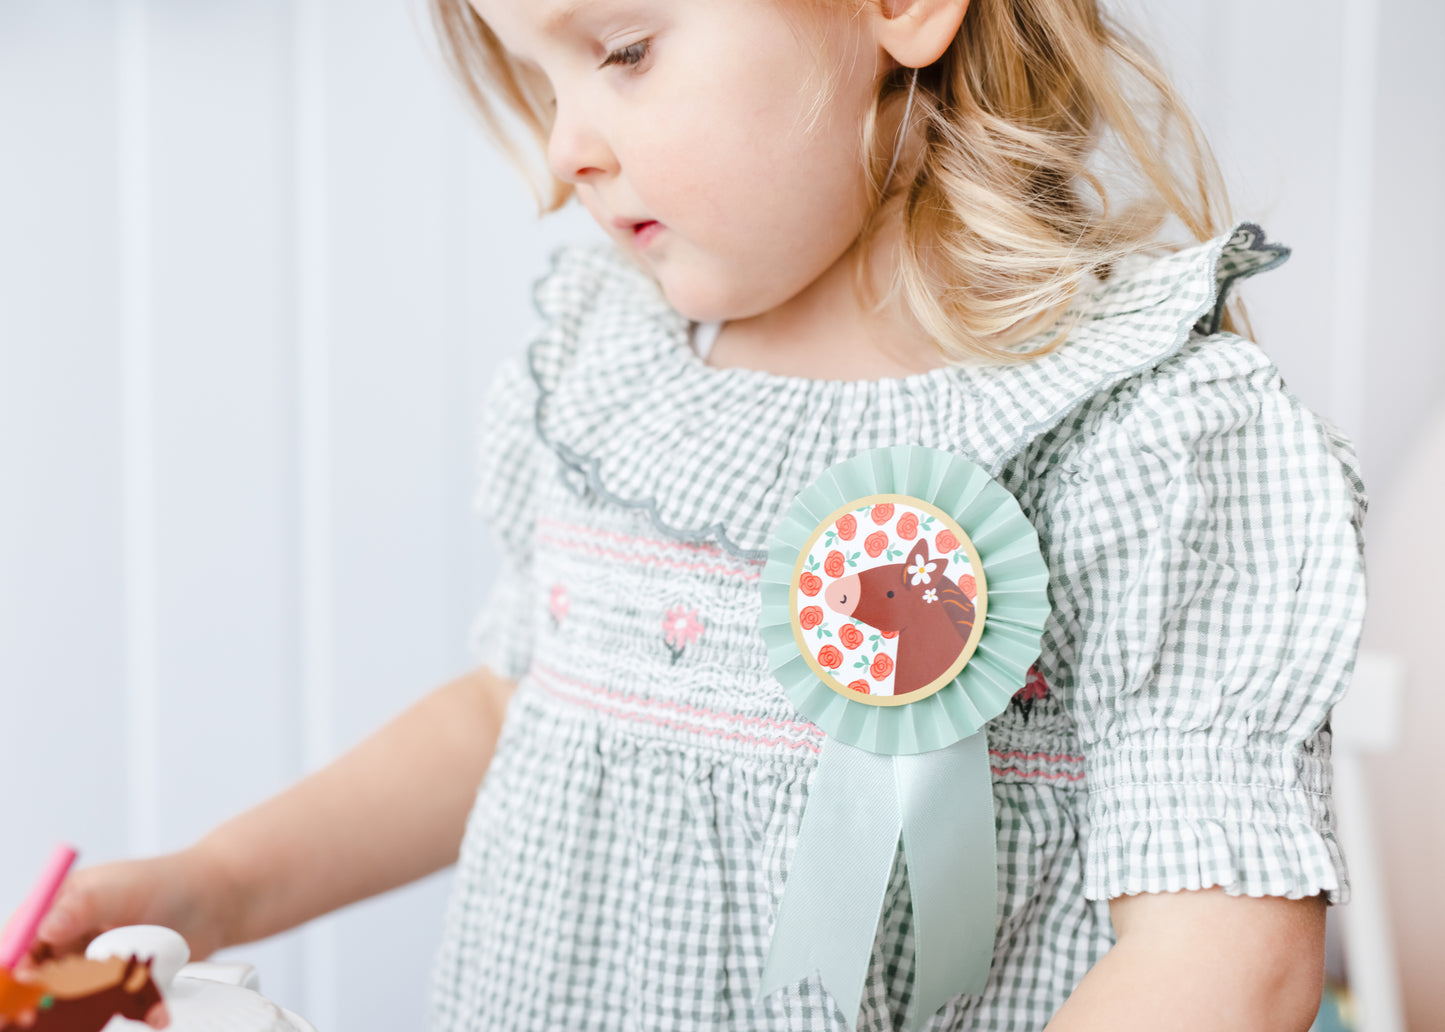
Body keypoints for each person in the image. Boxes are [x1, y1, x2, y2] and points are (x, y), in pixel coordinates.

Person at [22, 0, 1366, 1028]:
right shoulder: (607, 377)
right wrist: (207, 890)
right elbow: (521, 709)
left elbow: (1222, 959)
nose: (562, 155)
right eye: (534, 78)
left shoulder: (1146, 434)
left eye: (619, 50)